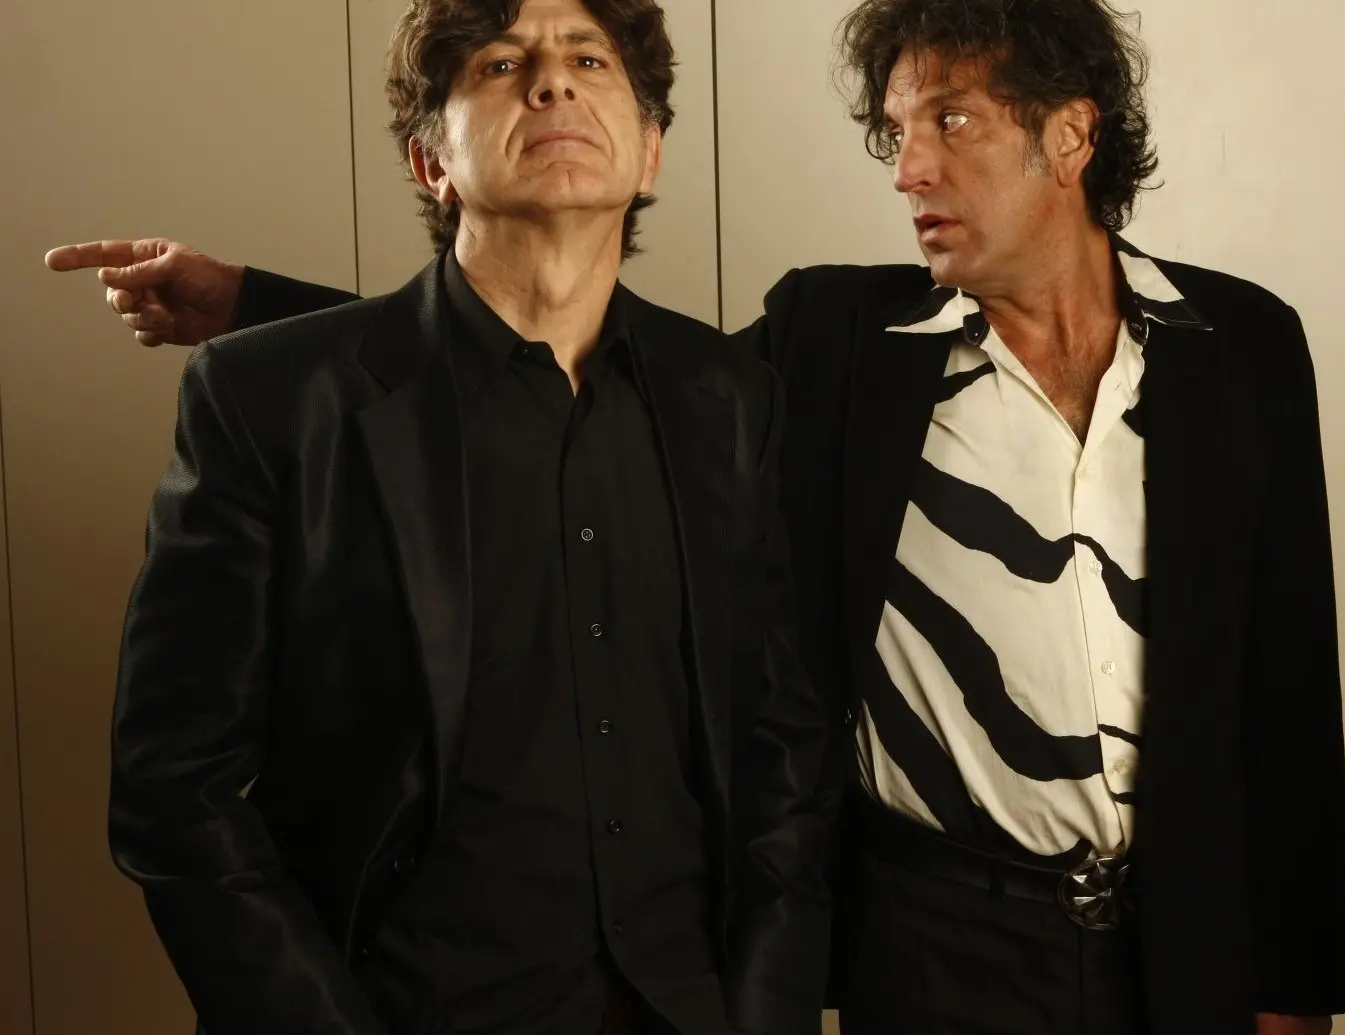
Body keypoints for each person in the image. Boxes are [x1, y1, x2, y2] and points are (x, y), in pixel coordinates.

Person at [50, 2, 1345, 1032]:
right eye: (896, 131)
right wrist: (258, 308)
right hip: (932, 942)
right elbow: (524, 368)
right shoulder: (843, 343)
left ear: (1071, 136)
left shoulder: (1239, 344)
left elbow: (1290, 687)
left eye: (949, 122)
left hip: (1182, 939)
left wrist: (1294, 984)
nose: (908, 167)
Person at [87, 1, 832, 1033]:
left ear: (651, 151)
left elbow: (779, 744)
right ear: (429, 161)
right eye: (501, 63)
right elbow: (174, 787)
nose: (553, 81)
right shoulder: (268, 400)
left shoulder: (729, 398)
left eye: (589, 60)